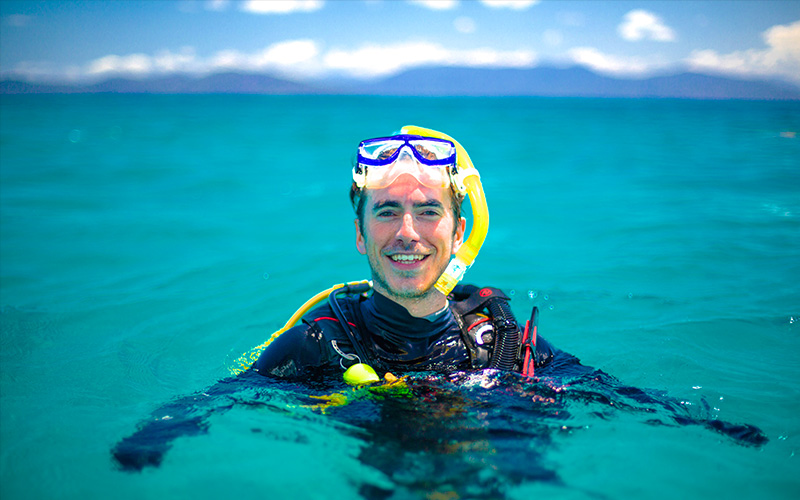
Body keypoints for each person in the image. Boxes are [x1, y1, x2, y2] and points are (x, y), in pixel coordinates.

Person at [252, 126, 553, 383]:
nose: (406, 232)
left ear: (459, 234)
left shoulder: (508, 344)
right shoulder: (313, 347)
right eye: (387, 212)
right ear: (360, 234)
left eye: (428, 211)